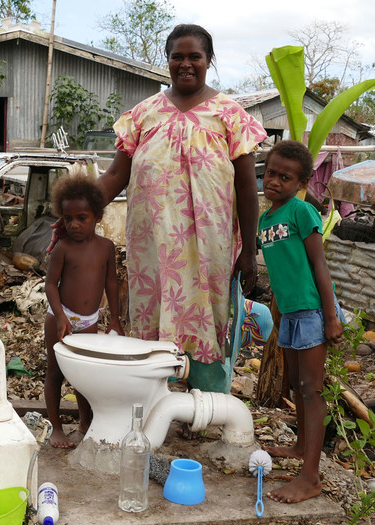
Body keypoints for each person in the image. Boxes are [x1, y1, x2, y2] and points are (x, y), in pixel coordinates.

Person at [96, 23, 268, 396]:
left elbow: (246, 186)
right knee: (152, 318)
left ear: (209, 61)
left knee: (207, 320)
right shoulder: (143, 115)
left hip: (209, 249)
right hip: (152, 248)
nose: (186, 64)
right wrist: (71, 212)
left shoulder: (230, 115)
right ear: (167, 60)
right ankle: (153, 402)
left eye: (195, 57)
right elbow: (114, 176)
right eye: (178, 56)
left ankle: (203, 408)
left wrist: (250, 251)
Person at [258, 139, 344, 502]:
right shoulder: (266, 218)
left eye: (285, 177)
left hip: (312, 310)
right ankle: (298, 447)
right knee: (296, 386)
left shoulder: (301, 212)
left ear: (301, 183)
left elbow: (318, 266)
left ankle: (310, 477)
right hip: (291, 314)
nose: (275, 181)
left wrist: (330, 317)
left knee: (313, 391)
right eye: (271, 173)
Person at [44, 173, 123, 448]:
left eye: (82, 218)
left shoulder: (106, 248)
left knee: (84, 376)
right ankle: (56, 427)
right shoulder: (63, 248)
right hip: (60, 315)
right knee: (55, 373)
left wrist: (114, 318)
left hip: (89, 321)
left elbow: (112, 283)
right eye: (68, 219)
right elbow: (51, 284)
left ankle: (85, 422)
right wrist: (60, 317)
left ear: (98, 216)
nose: (74, 225)